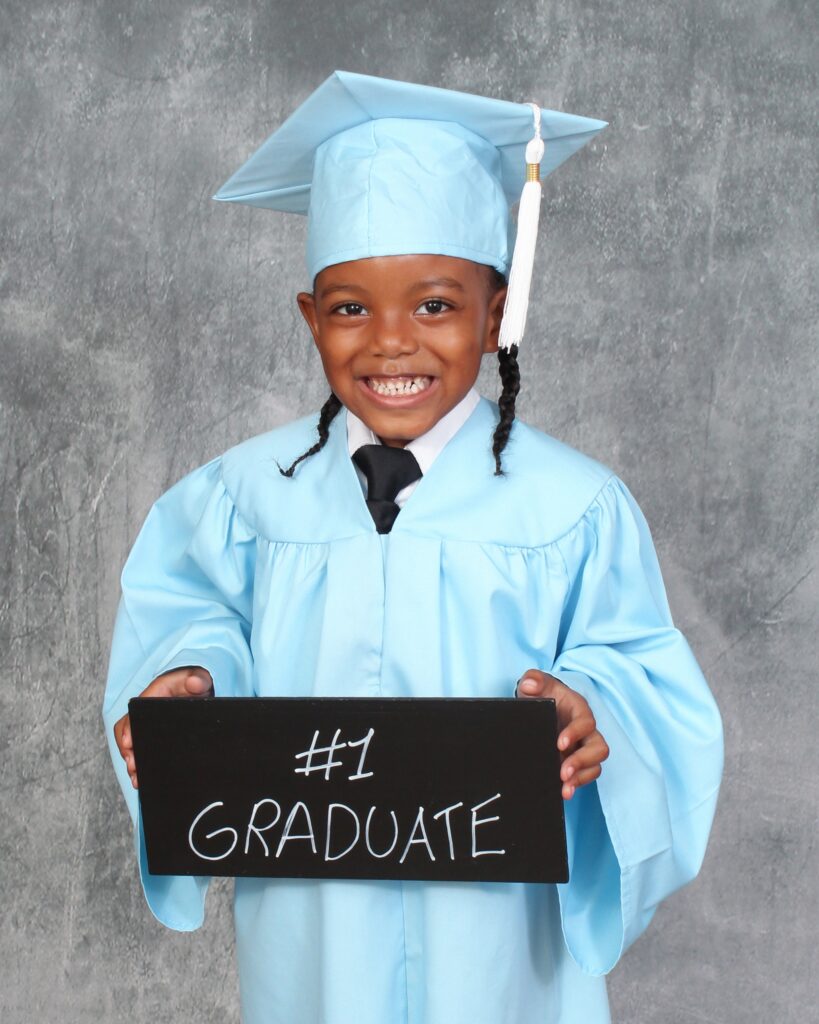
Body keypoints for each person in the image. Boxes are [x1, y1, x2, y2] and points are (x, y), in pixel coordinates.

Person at [103, 70, 724, 1024]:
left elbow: (641, 667)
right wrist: (191, 678)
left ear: (493, 313)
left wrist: (591, 708)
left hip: (502, 941)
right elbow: (194, 615)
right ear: (310, 317)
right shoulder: (241, 498)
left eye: (434, 305)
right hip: (312, 927)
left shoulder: (573, 506)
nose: (391, 343)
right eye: (350, 309)